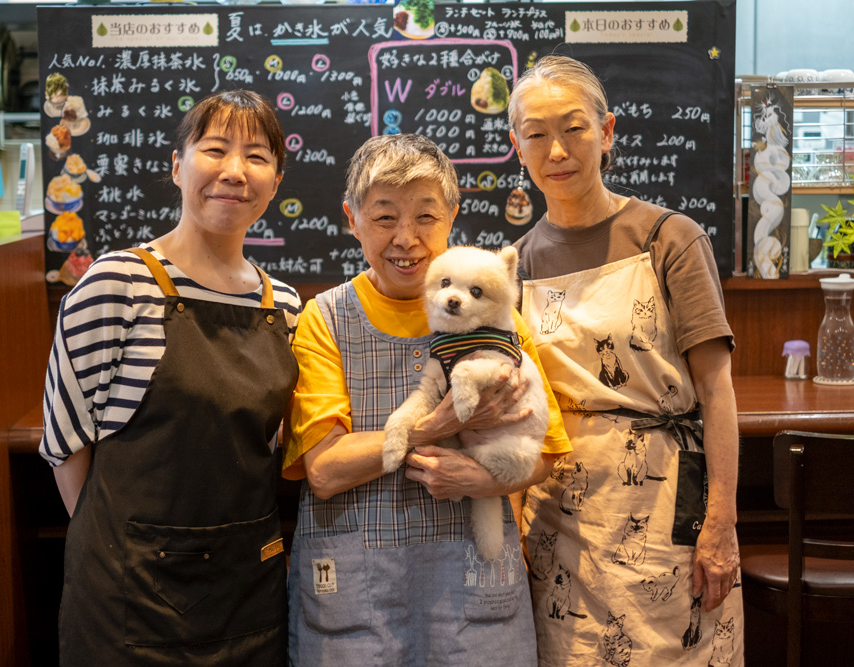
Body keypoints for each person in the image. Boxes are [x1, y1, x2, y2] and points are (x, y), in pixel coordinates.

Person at [283, 133, 572, 665]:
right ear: (352, 219)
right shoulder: (324, 318)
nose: (406, 239)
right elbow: (323, 469)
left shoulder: (494, 317)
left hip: (471, 588)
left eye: (425, 217)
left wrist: (480, 479)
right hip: (357, 591)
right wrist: (433, 426)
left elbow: (548, 449)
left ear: (452, 218)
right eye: (385, 217)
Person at [39, 89, 301, 665]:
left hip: (247, 593)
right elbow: (66, 446)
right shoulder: (117, 284)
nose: (235, 171)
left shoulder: (282, 304)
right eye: (215, 149)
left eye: (257, 156)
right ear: (178, 166)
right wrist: (125, 554)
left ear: (275, 182)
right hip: (127, 601)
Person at [508, 55, 744, 665]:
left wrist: (721, 524)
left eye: (574, 127)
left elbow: (716, 390)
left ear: (607, 131)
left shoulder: (669, 238)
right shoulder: (518, 263)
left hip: (665, 507)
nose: (556, 150)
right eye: (537, 134)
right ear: (517, 146)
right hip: (559, 518)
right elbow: (513, 410)